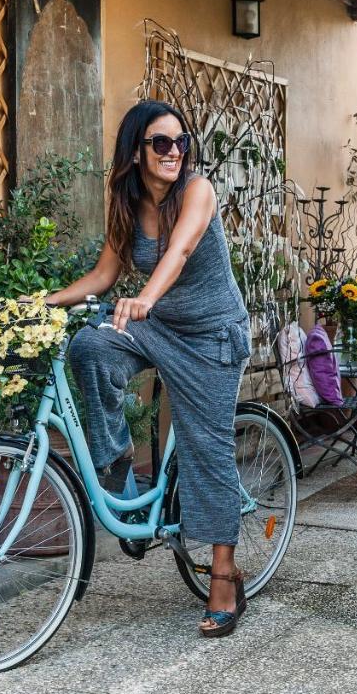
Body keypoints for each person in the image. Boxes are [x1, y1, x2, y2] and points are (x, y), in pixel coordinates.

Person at [47, 100, 252, 638]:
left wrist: (144, 298)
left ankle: (225, 576)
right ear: (136, 151)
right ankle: (118, 464)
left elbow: (180, 251)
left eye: (180, 142)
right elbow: (101, 276)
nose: (174, 152)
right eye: (161, 143)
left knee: (207, 450)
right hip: (157, 325)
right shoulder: (125, 202)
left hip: (210, 336)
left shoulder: (197, 191)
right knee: (91, 347)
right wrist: (41, 303)